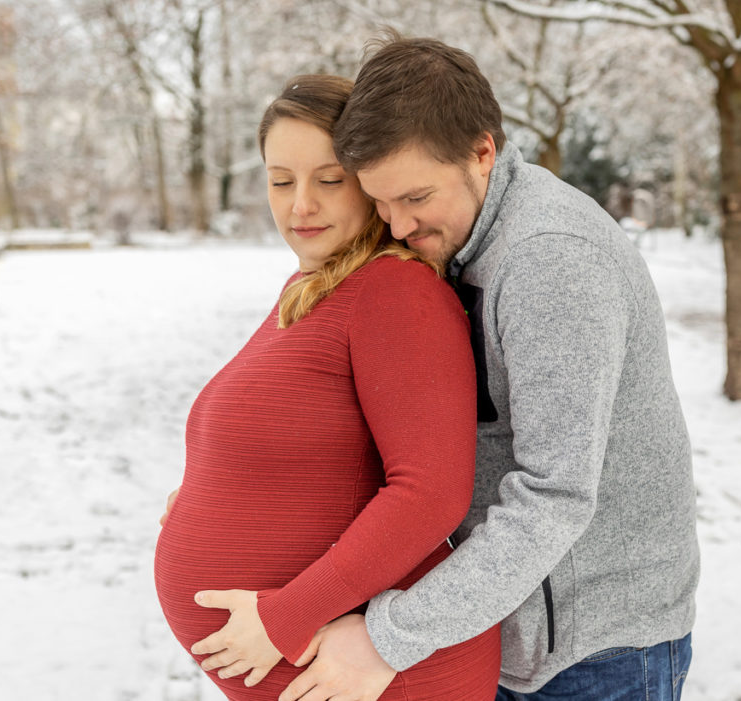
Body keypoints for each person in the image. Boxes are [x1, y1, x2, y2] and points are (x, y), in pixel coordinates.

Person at [202, 34, 700, 701]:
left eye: (414, 197)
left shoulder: (551, 263)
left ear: (483, 151)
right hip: (496, 619)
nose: (398, 224)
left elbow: (554, 497)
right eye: (379, 201)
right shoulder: (458, 235)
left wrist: (387, 636)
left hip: (590, 652)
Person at [152, 74, 501, 700]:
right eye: (280, 180)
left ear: (372, 180)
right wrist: (218, 485)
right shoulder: (314, 287)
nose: (300, 205)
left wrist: (285, 618)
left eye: (329, 179)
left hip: (382, 672)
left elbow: (430, 495)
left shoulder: (396, 292)